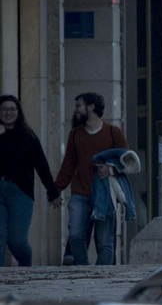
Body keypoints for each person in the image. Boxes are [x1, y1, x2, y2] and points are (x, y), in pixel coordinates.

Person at [54, 93, 127, 266]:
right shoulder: (75, 135)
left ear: (91, 107)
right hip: (81, 194)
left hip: (105, 195)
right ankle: (83, 271)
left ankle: (102, 279)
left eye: (79, 106)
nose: (76, 110)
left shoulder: (113, 132)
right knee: (75, 234)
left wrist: (111, 169)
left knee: (104, 242)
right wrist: (55, 190)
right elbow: (68, 165)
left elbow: (127, 161)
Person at [0, 95, 60, 266]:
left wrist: (53, 192)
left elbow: (42, 166)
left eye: (12, 109)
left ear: (18, 112)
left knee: (17, 241)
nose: (8, 113)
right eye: (4, 109)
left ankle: (27, 268)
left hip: (20, 192)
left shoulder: (27, 136)